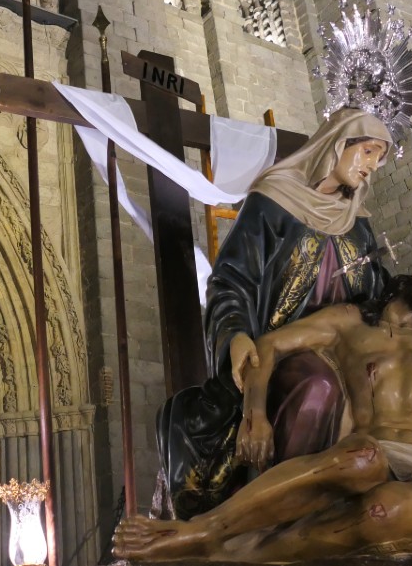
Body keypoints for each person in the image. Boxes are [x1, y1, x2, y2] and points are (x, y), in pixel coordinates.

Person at [118, 275, 412, 562]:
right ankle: (201, 530)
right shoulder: (351, 324)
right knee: (358, 459)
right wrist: (256, 413)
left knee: (382, 512)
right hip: (373, 447)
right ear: (404, 285)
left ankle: (225, 552)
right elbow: (271, 346)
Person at [155, 107, 392, 519]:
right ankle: (281, 518)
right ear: (338, 144)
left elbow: (379, 289)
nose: (372, 167)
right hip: (284, 348)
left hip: (350, 343)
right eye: (368, 152)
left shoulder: (359, 223)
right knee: (318, 386)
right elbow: (231, 279)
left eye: (379, 158)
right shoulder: (272, 202)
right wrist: (236, 335)